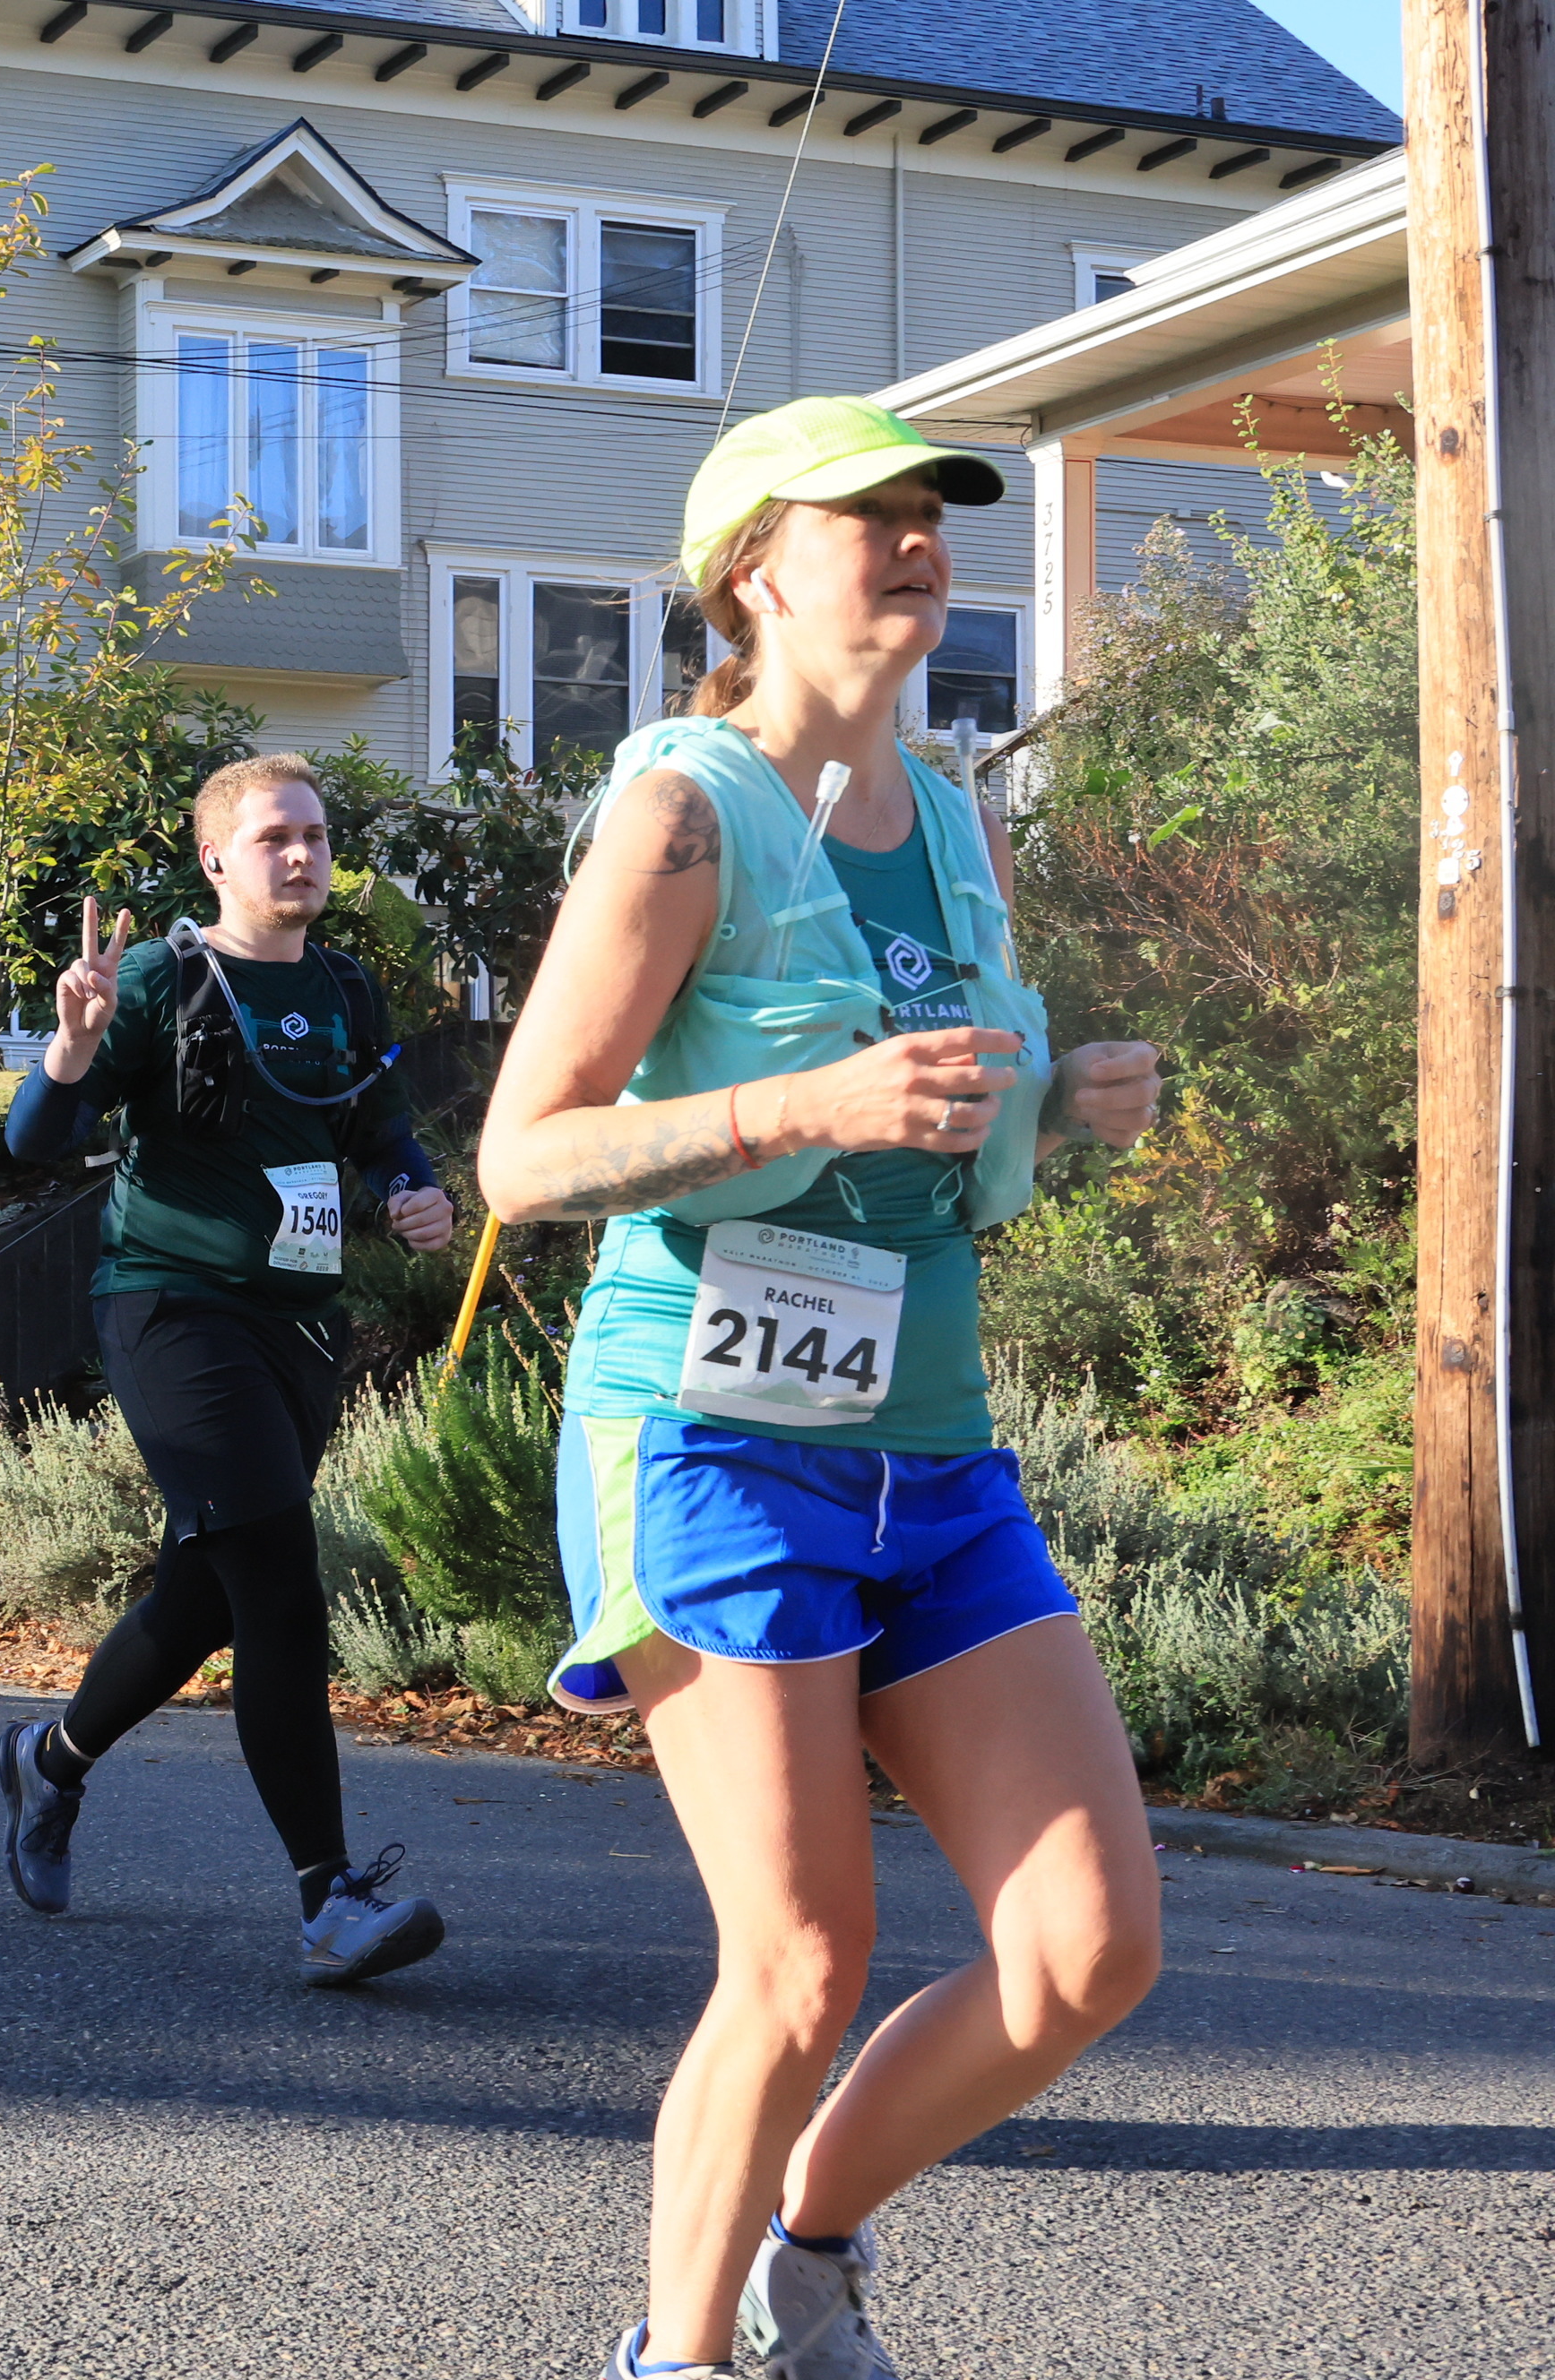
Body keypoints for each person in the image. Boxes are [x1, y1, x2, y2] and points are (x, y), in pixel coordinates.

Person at [477, 399, 1167, 2380]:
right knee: (794, 1961)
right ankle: (672, 2358)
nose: (915, 536)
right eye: (864, 512)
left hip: (928, 1452)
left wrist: (1059, 1098)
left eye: (930, 510)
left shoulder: (951, 821)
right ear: (751, 575)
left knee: (1088, 1945)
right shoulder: (681, 810)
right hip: (706, 1438)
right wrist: (802, 1102)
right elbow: (523, 1154)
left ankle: (808, 2253)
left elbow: (939, 1126)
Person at [0, 753, 458, 1987]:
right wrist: (72, 1046)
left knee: (205, 1598)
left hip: (297, 1326)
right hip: (173, 1312)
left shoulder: (346, 986)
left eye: (315, 834)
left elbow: (379, 1134)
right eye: (272, 838)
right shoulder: (160, 979)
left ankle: (49, 1761)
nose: (300, 854)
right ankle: (330, 1900)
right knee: (283, 1588)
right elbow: (36, 1142)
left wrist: (414, 1195)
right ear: (215, 859)